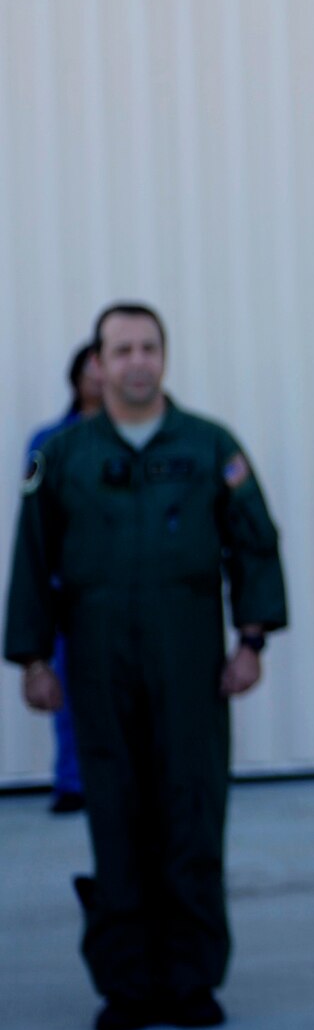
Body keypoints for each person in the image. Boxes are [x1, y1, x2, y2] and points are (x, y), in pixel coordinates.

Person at [6, 303, 285, 1030]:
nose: (135, 361)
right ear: (97, 363)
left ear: (164, 356)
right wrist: (34, 660)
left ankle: (191, 979)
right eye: (120, 349)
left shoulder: (207, 445)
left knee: (191, 814)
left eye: (148, 347)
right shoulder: (65, 455)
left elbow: (254, 543)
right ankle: (127, 985)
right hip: (97, 660)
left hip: (188, 654)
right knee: (117, 818)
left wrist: (251, 640)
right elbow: (32, 558)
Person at [24, 340, 104, 814]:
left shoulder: (134, 439)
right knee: (68, 687)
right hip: (66, 586)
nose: (97, 377)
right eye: (89, 368)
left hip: (118, 586)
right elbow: (32, 504)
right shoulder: (47, 441)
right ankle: (72, 782)